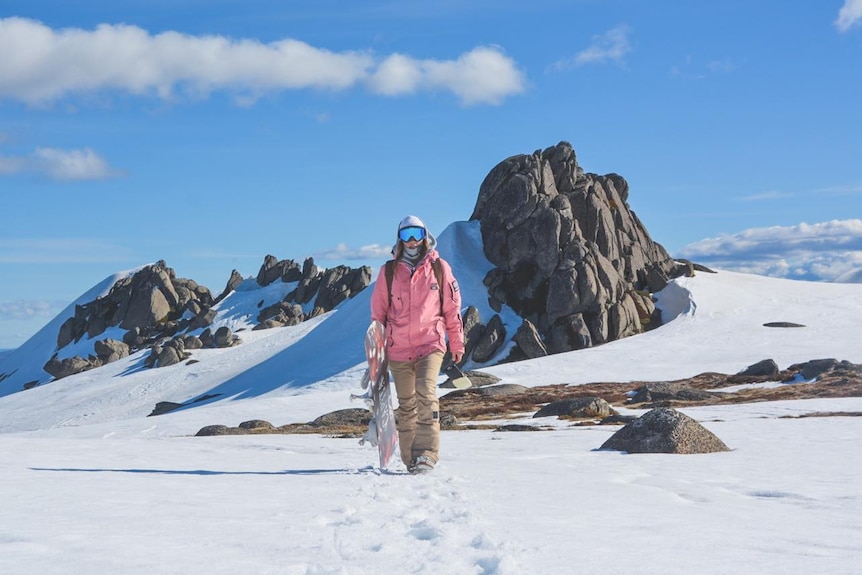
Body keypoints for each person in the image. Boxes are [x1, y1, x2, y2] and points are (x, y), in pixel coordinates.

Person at [370, 215, 465, 474]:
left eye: (416, 233)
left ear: (425, 236)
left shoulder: (439, 268)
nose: (412, 241)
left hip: (430, 342)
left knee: (425, 391)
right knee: (406, 403)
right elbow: (378, 314)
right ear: (399, 239)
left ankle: (427, 454)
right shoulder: (388, 272)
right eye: (406, 234)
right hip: (398, 348)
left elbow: (452, 308)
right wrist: (377, 350)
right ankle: (410, 458)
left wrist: (456, 342)